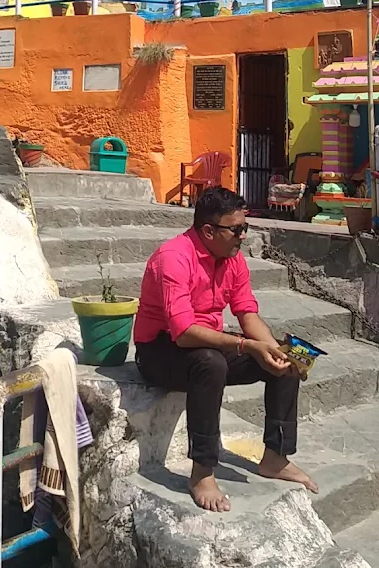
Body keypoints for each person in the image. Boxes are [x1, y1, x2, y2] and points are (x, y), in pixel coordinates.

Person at [134, 186, 317, 513]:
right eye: (237, 229)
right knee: (211, 363)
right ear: (208, 230)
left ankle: (276, 457)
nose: (243, 236)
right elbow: (184, 332)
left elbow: (246, 312)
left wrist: (272, 349)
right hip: (160, 351)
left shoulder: (232, 259)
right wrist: (247, 345)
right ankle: (202, 471)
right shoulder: (173, 259)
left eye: (244, 228)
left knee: (289, 357)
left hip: (207, 343)